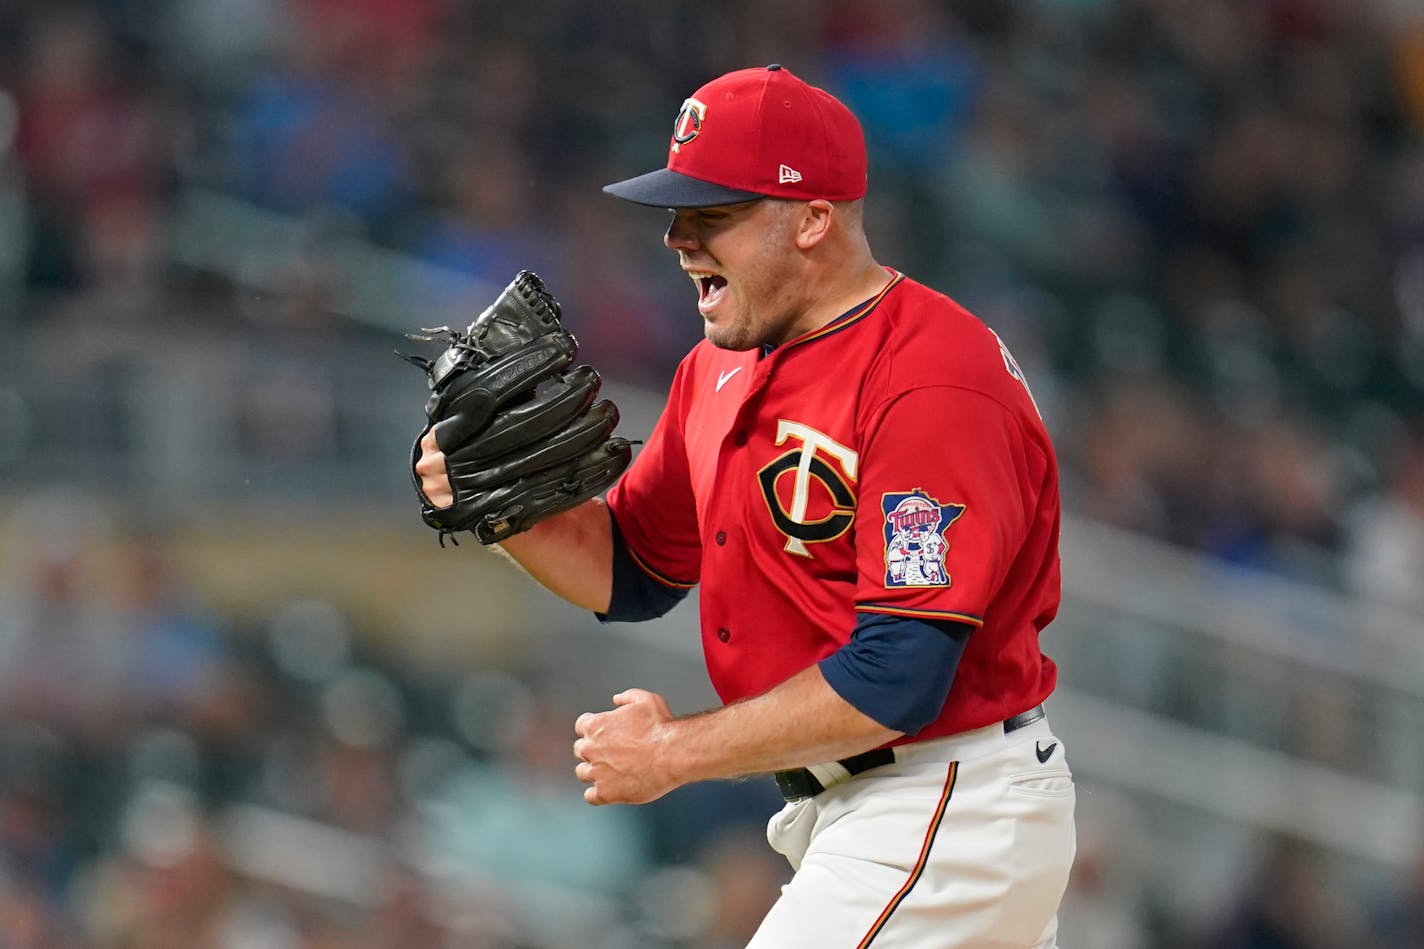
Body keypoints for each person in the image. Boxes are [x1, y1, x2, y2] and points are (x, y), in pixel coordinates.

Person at [416, 64, 1076, 947]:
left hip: (945, 802)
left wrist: (668, 753)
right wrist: (501, 512)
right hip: (866, 811)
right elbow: (634, 569)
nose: (679, 238)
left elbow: (900, 676)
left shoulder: (930, 380)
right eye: (676, 212)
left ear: (814, 219)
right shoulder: (719, 366)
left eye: (714, 214)